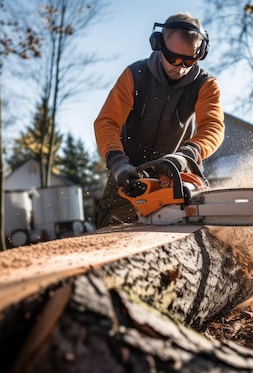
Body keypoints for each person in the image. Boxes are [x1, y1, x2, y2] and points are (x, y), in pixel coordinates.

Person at [93, 12, 225, 228]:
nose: (179, 66)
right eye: (173, 58)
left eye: (188, 60)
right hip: (129, 173)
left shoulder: (205, 84)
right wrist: (117, 163)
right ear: (158, 44)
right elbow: (106, 122)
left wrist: (188, 155)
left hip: (175, 172)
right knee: (109, 227)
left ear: (200, 53)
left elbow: (212, 126)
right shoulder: (134, 75)